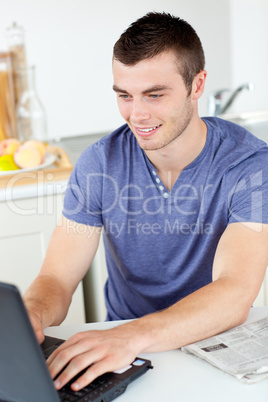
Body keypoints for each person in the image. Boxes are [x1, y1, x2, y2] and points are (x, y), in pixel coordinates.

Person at [24, 12, 268, 392]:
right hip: (122, 351)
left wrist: (130, 337)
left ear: (197, 84)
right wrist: (31, 313)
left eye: (155, 95)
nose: (136, 115)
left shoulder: (249, 166)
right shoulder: (99, 163)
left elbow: (235, 290)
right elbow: (56, 277)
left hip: (210, 346)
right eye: (124, 95)